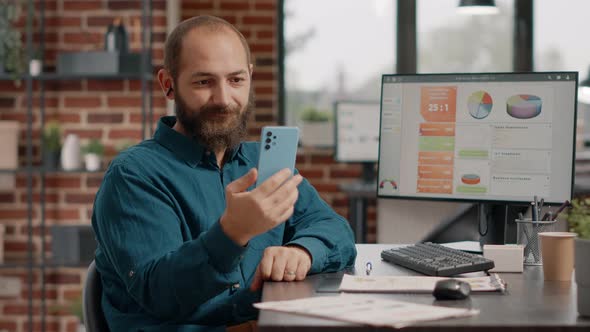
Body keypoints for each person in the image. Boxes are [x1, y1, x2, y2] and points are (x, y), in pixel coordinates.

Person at [91, 15, 357, 332]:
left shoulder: (261, 160)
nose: (223, 99)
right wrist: (232, 233)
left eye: (236, 80)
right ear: (168, 84)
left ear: (250, 77)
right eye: (204, 82)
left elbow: (334, 229)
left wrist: (302, 251)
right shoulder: (133, 175)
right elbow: (159, 292)